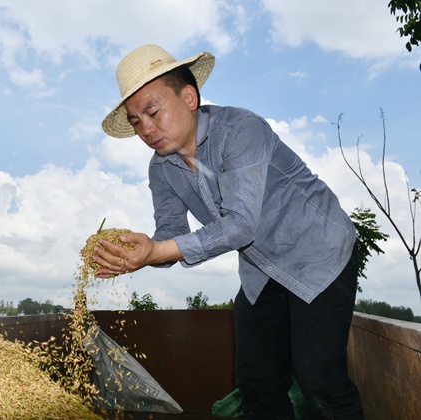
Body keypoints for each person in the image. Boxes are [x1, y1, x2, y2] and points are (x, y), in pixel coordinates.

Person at [92, 44, 364, 419]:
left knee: (319, 379)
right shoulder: (161, 169)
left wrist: (157, 251)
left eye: (152, 112)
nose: (146, 130)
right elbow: (170, 234)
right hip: (260, 269)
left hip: (319, 253)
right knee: (256, 381)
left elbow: (240, 225)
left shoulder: (240, 130)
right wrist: (139, 253)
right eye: (136, 122)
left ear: (189, 97)